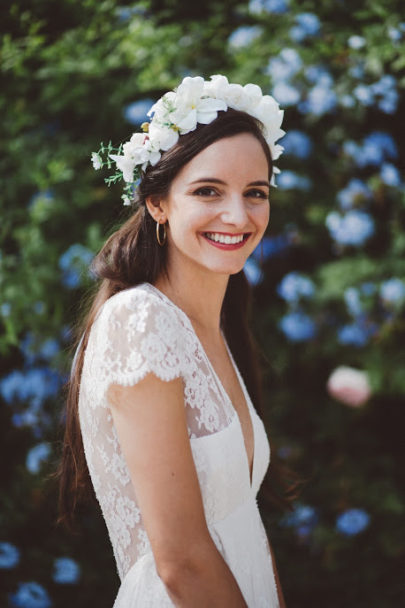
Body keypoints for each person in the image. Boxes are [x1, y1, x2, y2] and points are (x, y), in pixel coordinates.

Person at [57, 75, 294, 607]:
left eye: (255, 193)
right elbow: (181, 559)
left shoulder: (213, 325)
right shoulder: (140, 322)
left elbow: (244, 524)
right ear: (158, 203)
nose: (238, 215)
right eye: (208, 191)